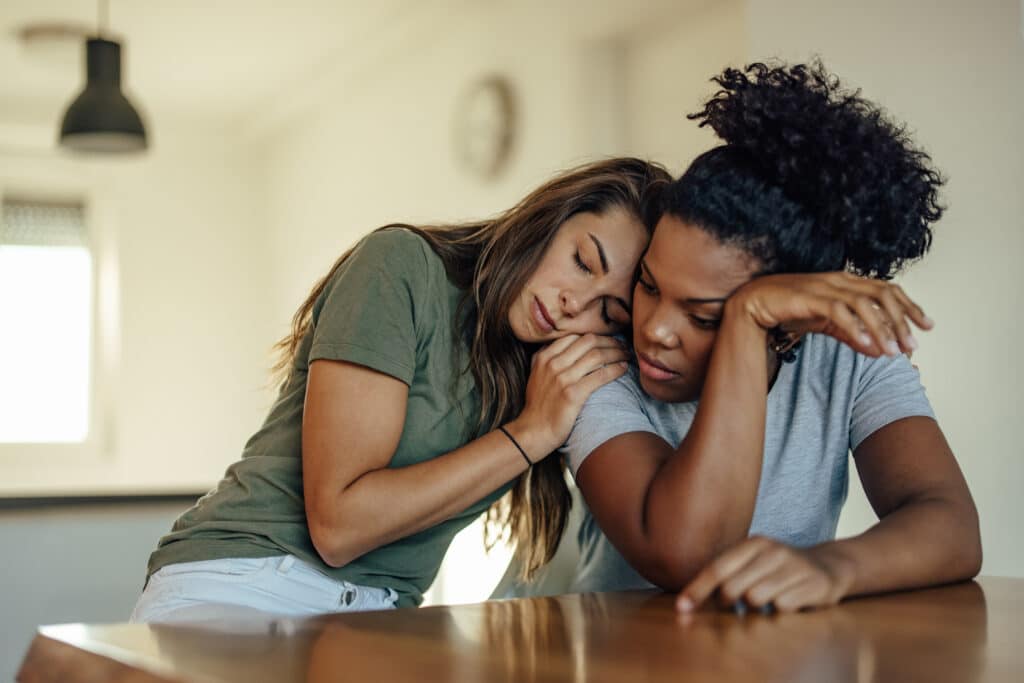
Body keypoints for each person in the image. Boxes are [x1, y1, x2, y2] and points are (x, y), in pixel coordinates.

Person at [130, 157, 671, 622]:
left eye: (608, 309)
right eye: (582, 262)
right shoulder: (401, 266)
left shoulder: (542, 375)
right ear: (550, 219)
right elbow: (338, 527)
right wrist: (529, 433)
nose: (576, 304)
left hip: (378, 616)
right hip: (247, 579)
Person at [564, 61, 981, 613]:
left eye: (705, 316)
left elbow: (951, 525)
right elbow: (685, 553)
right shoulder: (597, 364)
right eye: (648, 284)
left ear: (793, 323)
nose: (655, 329)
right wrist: (742, 321)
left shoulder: (844, 358)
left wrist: (831, 567)